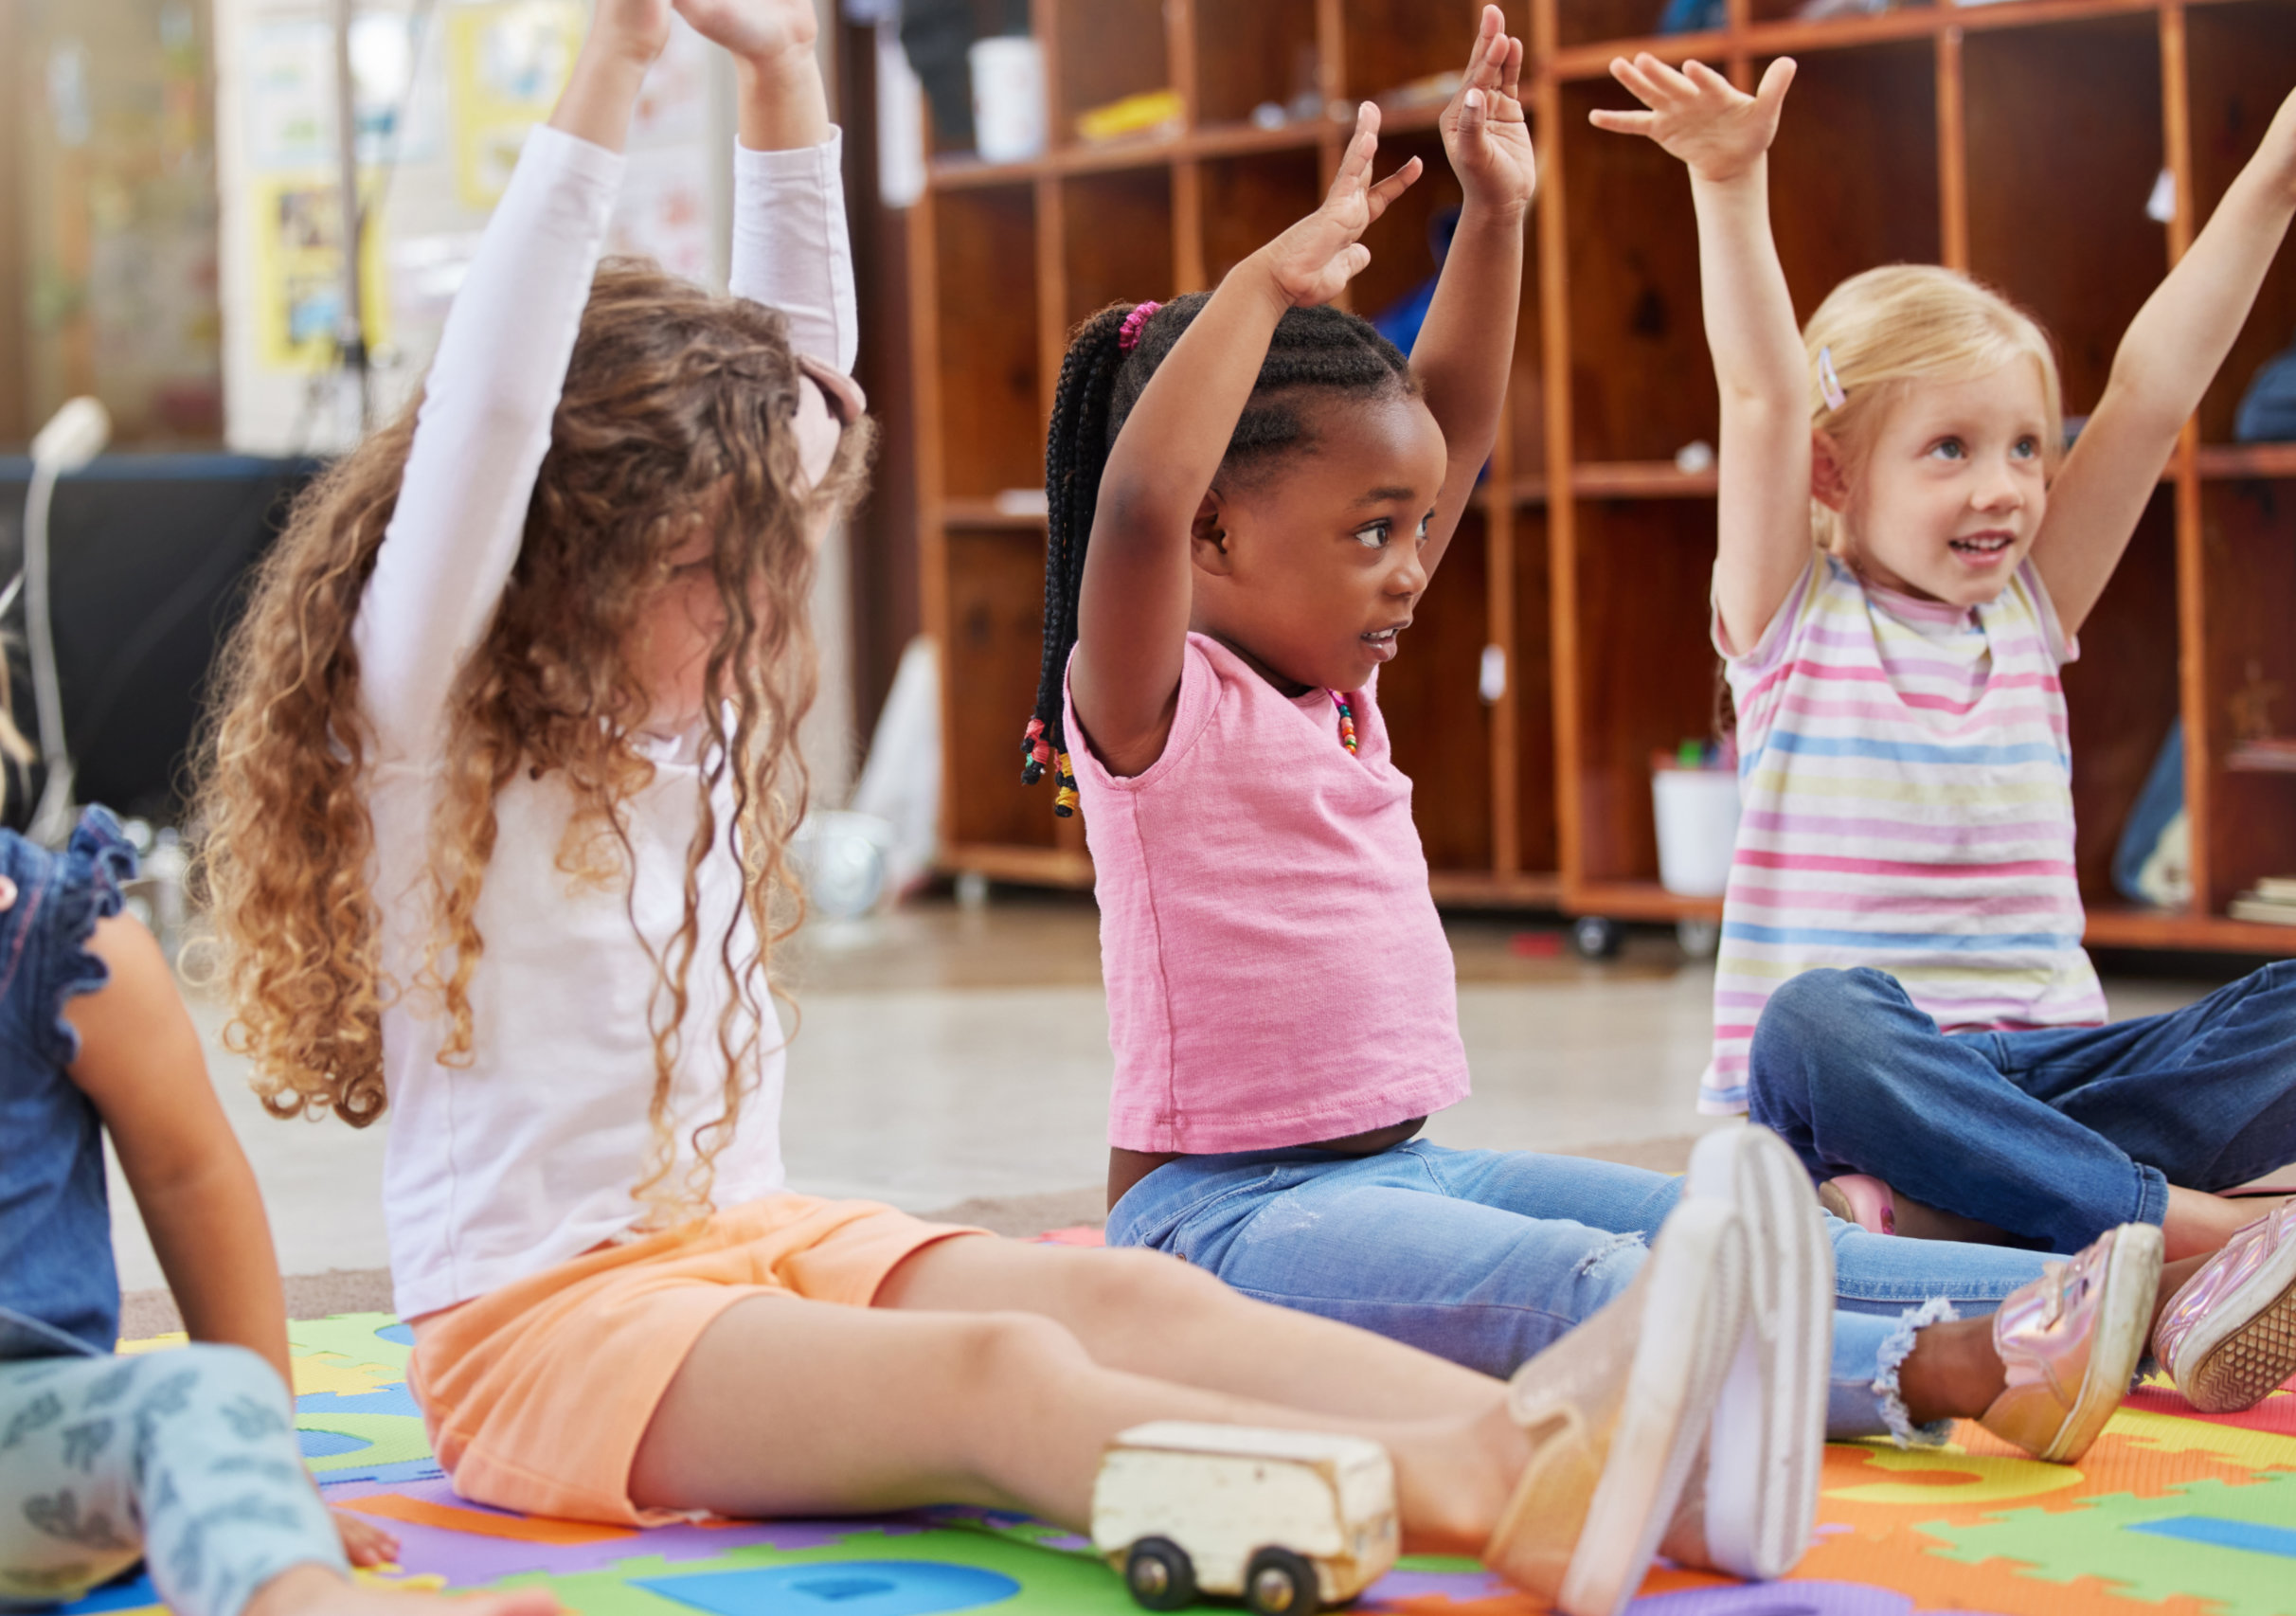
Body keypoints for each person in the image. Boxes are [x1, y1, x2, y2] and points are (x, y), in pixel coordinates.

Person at [192, 3, 1735, 1612]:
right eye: (701, 572)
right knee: (1000, 1373)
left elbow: (813, 378)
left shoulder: (691, 702)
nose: (749, 610)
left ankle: (1565, 1430)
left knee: (1131, 1305)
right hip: (548, 1332)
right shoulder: (437, 723)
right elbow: (495, 408)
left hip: (760, 1237)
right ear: (563, 563)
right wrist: (618, 57)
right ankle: (1501, 1484)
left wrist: (786, 77)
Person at [1012, 8, 2296, 1602]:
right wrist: (1272, 281)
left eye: (1414, 529)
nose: (1416, 563)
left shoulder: (1338, 683)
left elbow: (1455, 421)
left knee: (1737, 1235)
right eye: (1373, 535)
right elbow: (1131, 501)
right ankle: (1962, 1369)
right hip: (1224, 1221)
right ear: (1207, 539)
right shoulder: (1148, 711)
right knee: (1597, 1278)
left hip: (1407, 1162)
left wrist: (1504, 210)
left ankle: (2139, 1287)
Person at [1587, 39, 2296, 1287]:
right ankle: (2198, 1229)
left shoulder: (2029, 610)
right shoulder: (1790, 620)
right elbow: (1760, 394)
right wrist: (1727, 184)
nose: (2007, 488)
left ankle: (1954, 1212)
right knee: (1817, 1018)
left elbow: (2150, 390)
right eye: (1951, 450)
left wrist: (2270, 189)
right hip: (1861, 1080)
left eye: (2027, 447)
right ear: (1833, 474)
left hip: (2053, 1070)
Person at [0, 765, 548, 1616]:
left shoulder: (63, 942)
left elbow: (191, 1177)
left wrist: (257, 1467)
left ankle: (302, 1600)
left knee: (201, 1402)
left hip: (23, 1450)